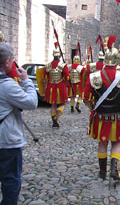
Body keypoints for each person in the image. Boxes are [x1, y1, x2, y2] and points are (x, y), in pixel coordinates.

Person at [83, 35, 120, 181]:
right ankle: (114, 170)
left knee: (102, 143)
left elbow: (85, 98)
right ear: (117, 59)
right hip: (117, 115)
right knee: (116, 143)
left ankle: (102, 172)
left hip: (100, 115)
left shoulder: (93, 76)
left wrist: (93, 109)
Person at [0, 42, 38, 205]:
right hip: (6, 141)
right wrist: (26, 80)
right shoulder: (7, 86)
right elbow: (31, 102)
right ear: (8, 62)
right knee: (10, 180)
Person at [43, 43, 70, 127]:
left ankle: (54, 121)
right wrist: (67, 85)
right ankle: (57, 117)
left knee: (53, 104)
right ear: (60, 56)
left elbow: (44, 78)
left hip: (51, 86)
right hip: (60, 86)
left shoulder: (48, 65)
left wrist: (44, 88)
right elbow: (67, 77)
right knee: (63, 103)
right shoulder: (63, 65)